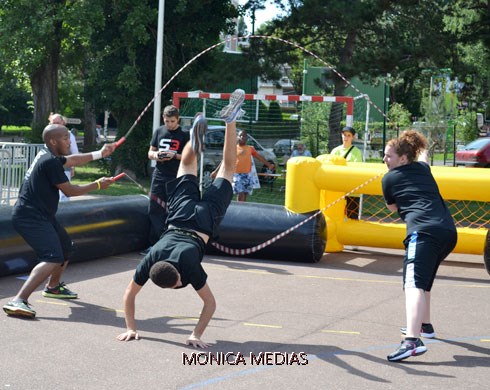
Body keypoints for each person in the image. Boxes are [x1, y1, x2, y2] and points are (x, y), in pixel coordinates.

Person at [116, 89, 245, 348]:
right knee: (186, 167)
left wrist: (195, 335)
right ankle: (194, 136)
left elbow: (210, 304)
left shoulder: (188, 266)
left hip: (203, 223)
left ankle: (231, 120)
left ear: (176, 278)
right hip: (178, 217)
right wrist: (130, 326)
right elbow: (128, 295)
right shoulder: (152, 258)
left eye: (177, 286)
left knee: (228, 170)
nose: (180, 286)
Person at [2, 124, 117, 318]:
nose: (69, 140)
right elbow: (69, 191)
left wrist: (100, 153)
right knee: (52, 256)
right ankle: (18, 300)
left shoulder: (49, 155)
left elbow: (72, 160)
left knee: (65, 248)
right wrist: (98, 184)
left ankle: (53, 287)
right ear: (53, 141)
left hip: (41, 215)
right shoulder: (49, 162)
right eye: (65, 138)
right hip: (29, 216)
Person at [382, 130, 457, 362]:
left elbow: (393, 209)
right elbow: (423, 154)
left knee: (413, 284)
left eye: (389, 156)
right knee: (423, 284)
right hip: (447, 232)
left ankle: (412, 341)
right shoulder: (423, 168)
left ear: (403, 158)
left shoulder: (389, 179)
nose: (384, 160)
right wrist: (414, 138)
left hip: (423, 232)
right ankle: (425, 326)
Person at [143, 105, 190, 255]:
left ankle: (174, 244)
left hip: (176, 176)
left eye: (172, 121)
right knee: (155, 207)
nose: (169, 124)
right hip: (159, 174)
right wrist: (156, 155)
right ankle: (155, 244)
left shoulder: (185, 135)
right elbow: (150, 152)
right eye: (166, 120)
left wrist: (174, 156)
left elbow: (190, 158)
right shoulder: (159, 131)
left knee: (176, 210)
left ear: (178, 119)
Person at [330, 126, 363, 219]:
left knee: (352, 216)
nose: (346, 137)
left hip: (352, 190)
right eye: (344, 135)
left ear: (353, 137)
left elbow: (356, 168)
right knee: (335, 215)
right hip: (337, 189)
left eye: (349, 135)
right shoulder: (335, 151)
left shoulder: (356, 152)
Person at [233, 129, 275, 202]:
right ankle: (239, 208)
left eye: (245, 136)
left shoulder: (250, 148)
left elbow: (259, 157)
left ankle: (243, 209)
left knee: (245, 193)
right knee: (240, 193)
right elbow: (225, 160)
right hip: (237, 175)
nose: (243, 137)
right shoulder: (234, 148)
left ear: (247, 138)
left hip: (247, 174)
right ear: (238, 137)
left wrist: (269, 165)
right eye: (241, 135)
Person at [48, 114, 80, 201]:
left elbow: (75, 153)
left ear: (63, 123)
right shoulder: (48, 135)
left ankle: (64, 212)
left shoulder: (69, 135)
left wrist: (73, 166)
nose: (55, 125)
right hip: (50, 168)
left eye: (58, 122)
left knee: (64, 194)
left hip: (64, 167)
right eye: (53, 123)